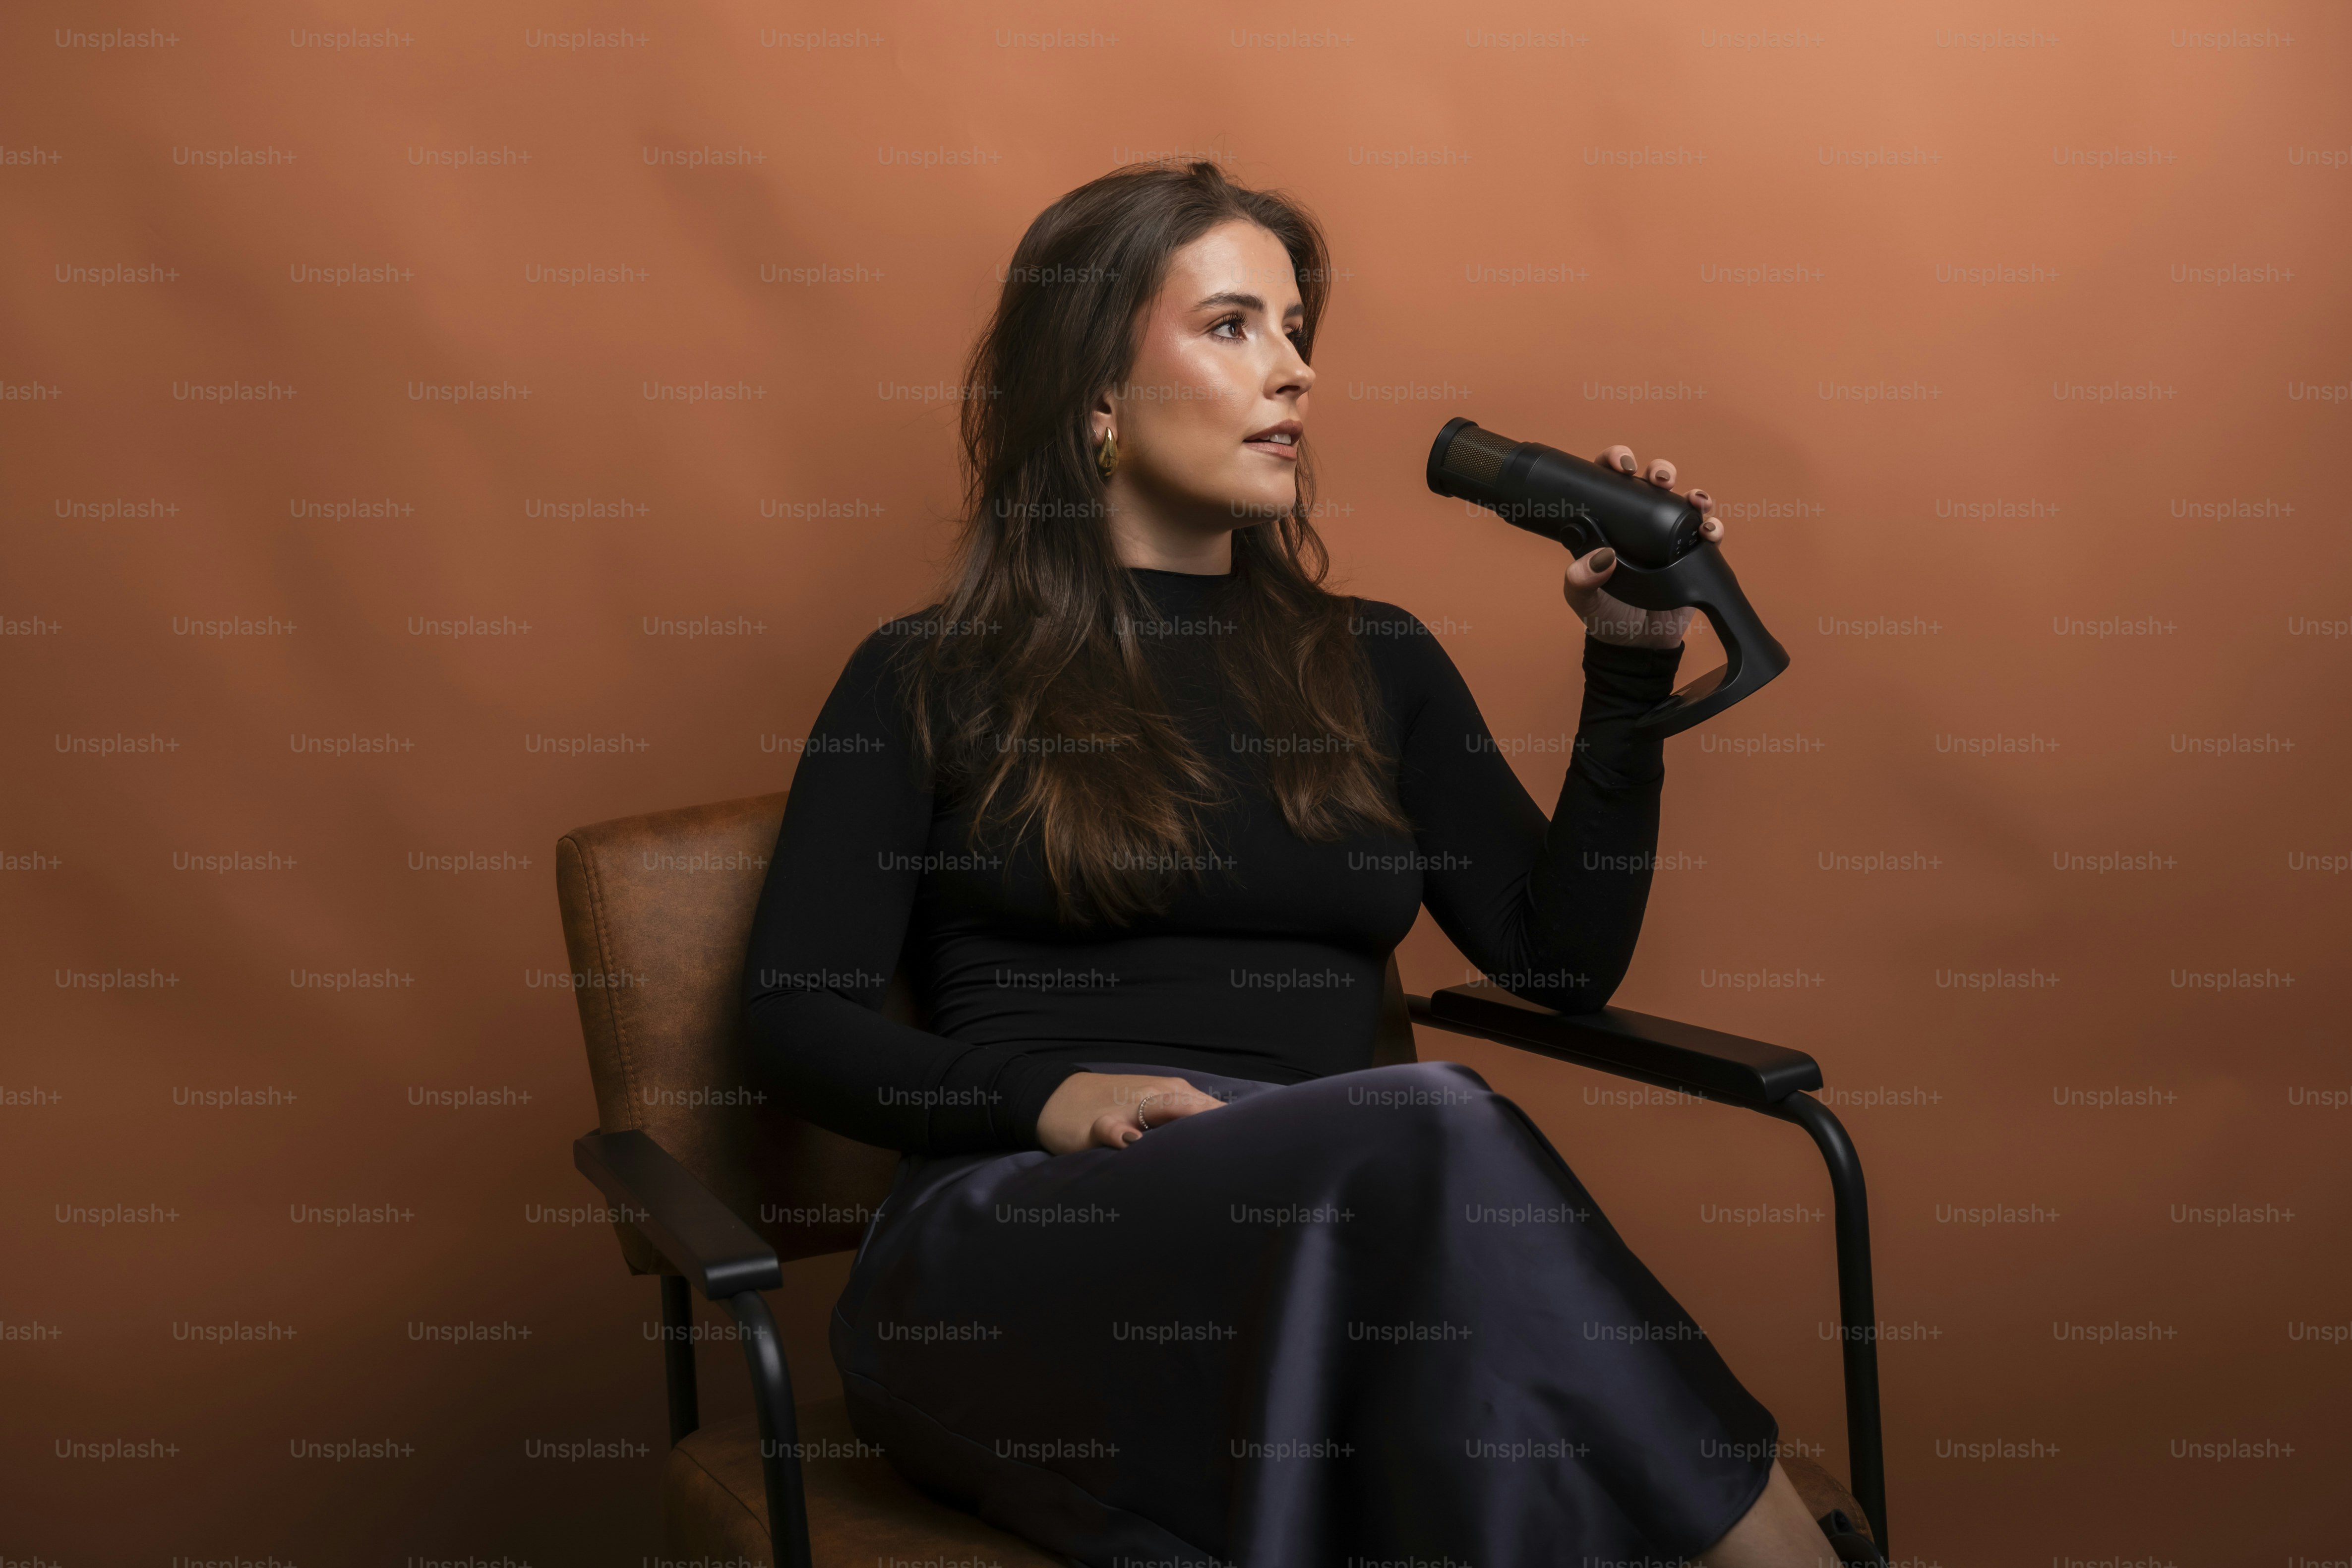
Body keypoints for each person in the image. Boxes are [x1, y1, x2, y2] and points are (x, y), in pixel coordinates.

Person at [743, 160, 1870, 1568]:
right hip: (1030, 1248)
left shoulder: (1374, 659)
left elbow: (1559, 963)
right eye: (1233, 327)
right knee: (1436, 1123)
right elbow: (788, 1015)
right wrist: (1045, 1095)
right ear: (1093, 394)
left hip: (1349, 1256)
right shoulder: (930, 673)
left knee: (1452, 1285)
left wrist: (1627, 682)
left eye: (1296, 331)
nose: (1294, 373)